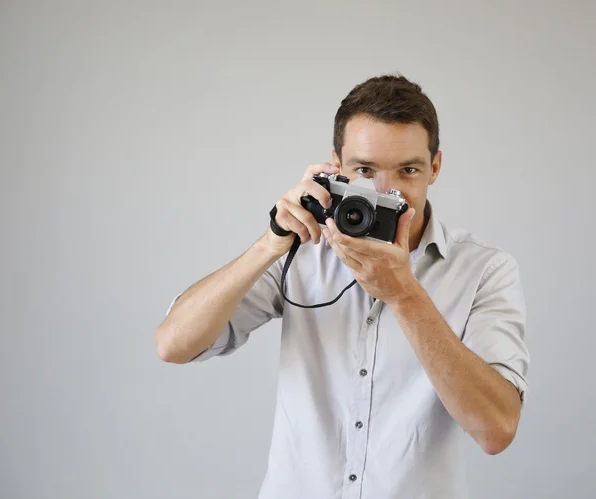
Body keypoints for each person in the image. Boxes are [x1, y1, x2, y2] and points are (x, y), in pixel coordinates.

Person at [154, 73, 530, 499]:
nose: (387, 192)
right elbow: (173, 344)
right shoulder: (303, 249)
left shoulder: (484, 269)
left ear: (435, 168)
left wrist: (404, 295)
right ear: (336, 167)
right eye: (365, 170)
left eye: (408, 170)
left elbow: (497, 429)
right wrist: (271, 242)